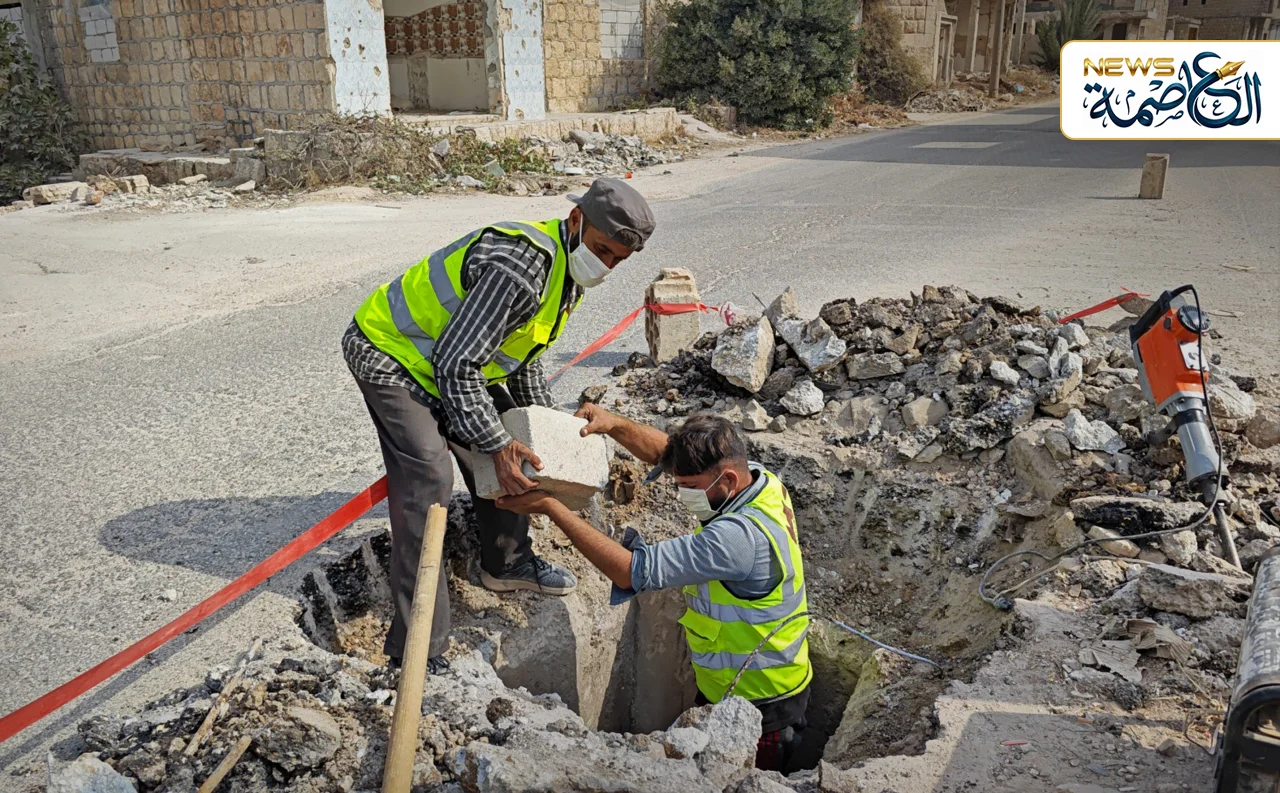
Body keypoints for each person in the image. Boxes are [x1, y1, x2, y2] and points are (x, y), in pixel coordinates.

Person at [342, 178, 656, 672]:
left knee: (523, 446)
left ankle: (507, 564)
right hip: (393, 354)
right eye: (602, 250)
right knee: (429, 477)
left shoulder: (567, 275)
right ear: (576, 221)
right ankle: (418, 647)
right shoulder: (521, 267)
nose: (606, 265)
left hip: (451, 364)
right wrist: (496, 442)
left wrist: (550, 430)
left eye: (618, 259)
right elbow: (456, 364)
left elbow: (520, 358)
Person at [497, 408, 812, 771]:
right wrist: (616, 424)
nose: (681, 494)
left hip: (762, 706)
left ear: (726, 479)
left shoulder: (735, 540)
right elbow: (666, 451)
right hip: (732, 688)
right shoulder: (757, 481)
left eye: (689, 487)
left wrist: (550, 506)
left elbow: (629, 572)